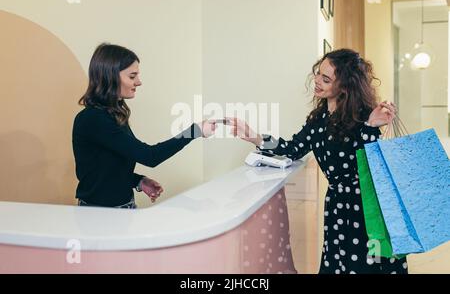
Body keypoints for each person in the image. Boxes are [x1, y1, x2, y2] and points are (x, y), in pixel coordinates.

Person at [229, 49, 408, 274]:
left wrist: (371, 127)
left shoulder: (364, 115)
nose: (317, 82)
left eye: (326, 79)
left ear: (344, 86)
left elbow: (372, 165)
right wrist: (254, 136)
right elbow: (293, 149)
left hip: (366, 207)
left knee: (365, 265)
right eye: (317, 74)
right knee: (337, 263)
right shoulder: (319, 118)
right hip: (336, 205)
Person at [72, 43, 216, 209]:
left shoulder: (113, 115)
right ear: (109, 77)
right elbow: (150, 156)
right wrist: (195, 131)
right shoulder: (93, 119)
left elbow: (106, 169)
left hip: (123, 208)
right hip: (100, 216)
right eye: (132, 76)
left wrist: (138, 181)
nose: (138, 82)